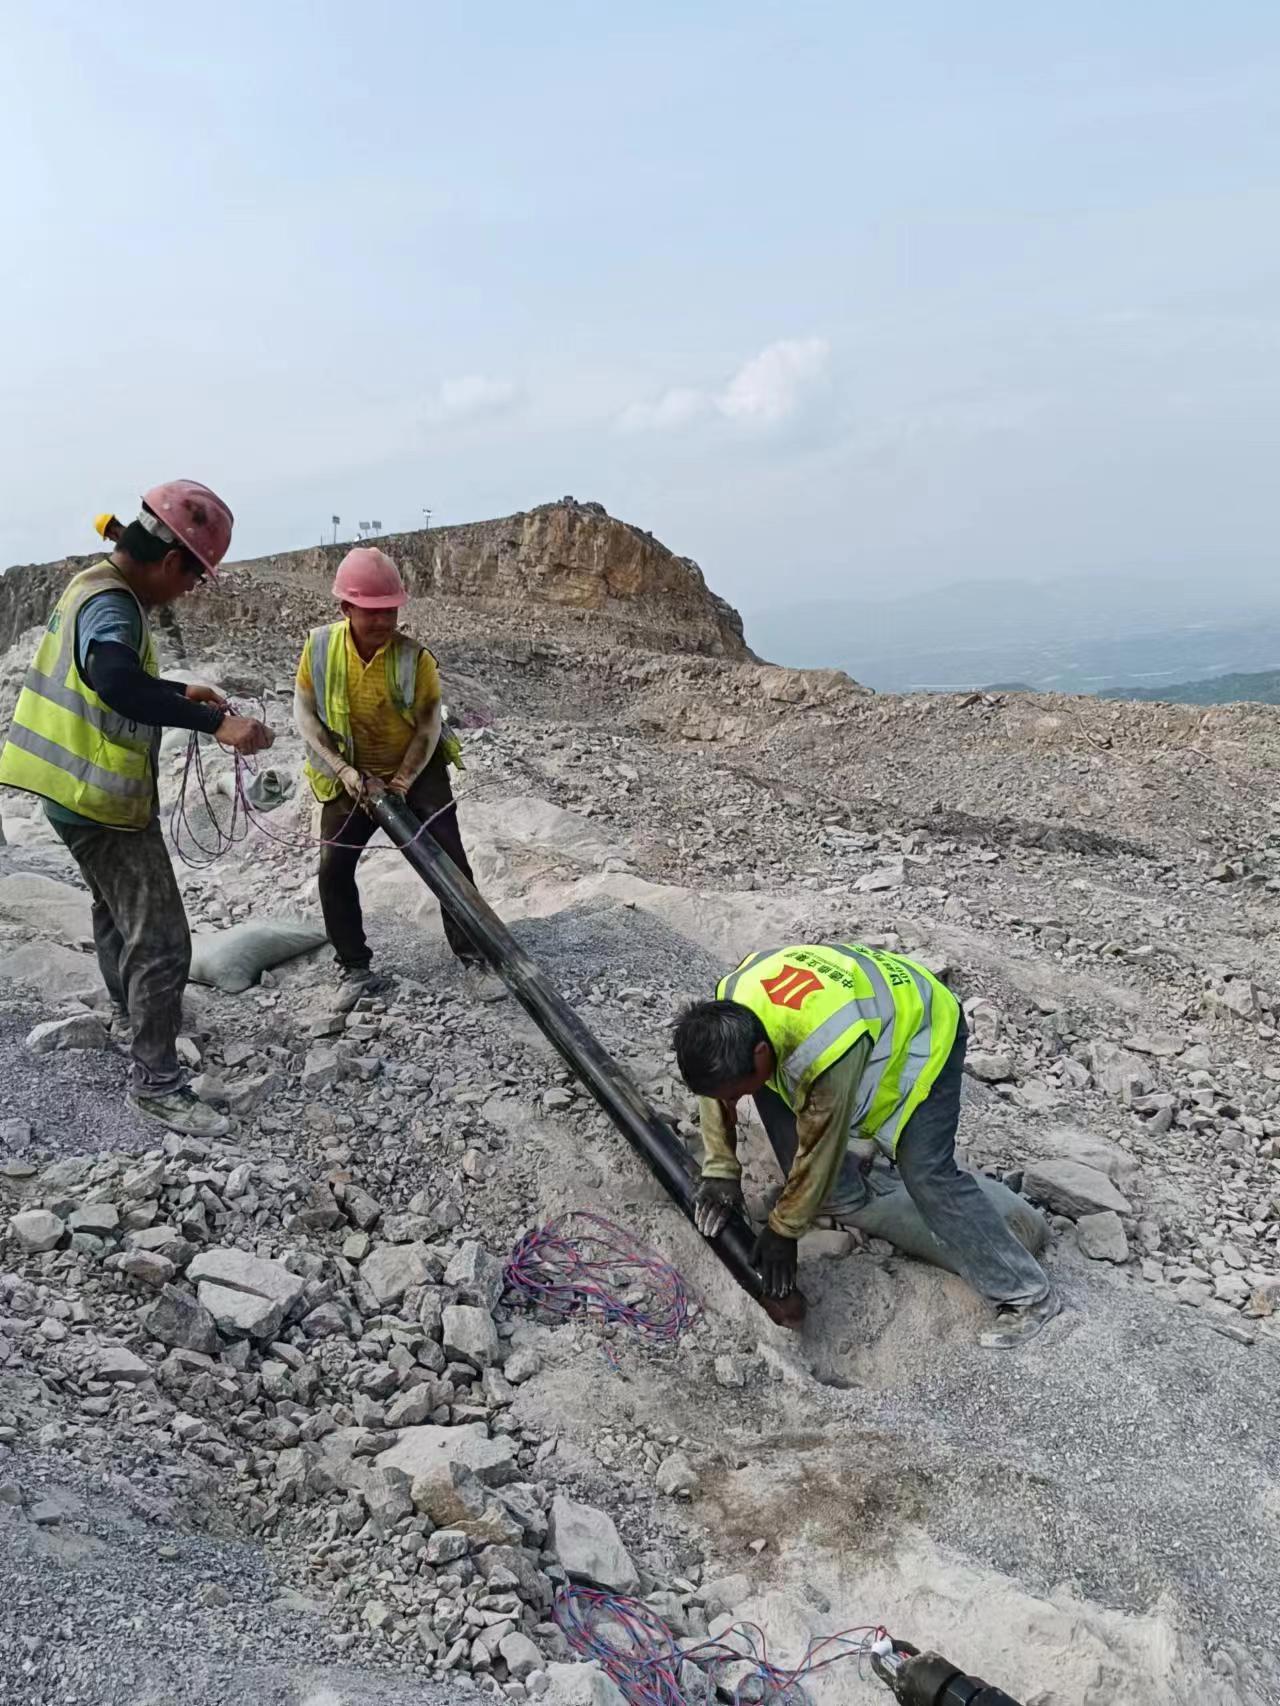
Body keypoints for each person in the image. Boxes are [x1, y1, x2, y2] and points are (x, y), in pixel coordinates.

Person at [0, 480, 273, 1138]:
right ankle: (156, 1084)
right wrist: (214, 725)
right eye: (194, 578)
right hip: (100, 802)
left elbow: (117, 676)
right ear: (172, 560)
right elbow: (116, 682)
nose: (189, 592)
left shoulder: (95, 583)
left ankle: (128, 1014)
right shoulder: (116, 606)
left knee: (114, 913)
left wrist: (180, 689)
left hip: (70, 796)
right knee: (163, 940)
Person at [673, 941, 1061, 1348]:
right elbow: (716, 1088)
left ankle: (1026, 1293)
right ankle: (841, 1190)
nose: (732, 1103)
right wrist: (719, 1169)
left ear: (760, 1051)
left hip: (923, 1030)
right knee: (784, 1125)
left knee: (927, 1174)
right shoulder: (728, 1012)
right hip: (842, 1023)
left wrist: (783, 1232)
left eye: (738, 1092)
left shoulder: (824, 1048)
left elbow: (821, 1141)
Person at [293, 545, 483, 994]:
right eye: (370, 612)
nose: (382, 622)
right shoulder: (318, 648)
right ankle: (354, 966)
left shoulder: (415, 660)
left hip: (416, 770)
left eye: (389, 612)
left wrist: (401, 782)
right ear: (345, 607)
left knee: (447, 862)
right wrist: (343, 770)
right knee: (334, 867)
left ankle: (476, 957)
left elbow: (427, 727)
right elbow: (305, 716)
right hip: (351, 773)